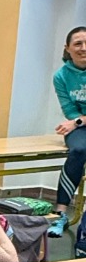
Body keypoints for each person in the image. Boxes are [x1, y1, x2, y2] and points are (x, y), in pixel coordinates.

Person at [49, 26, 86, 236]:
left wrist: (79, 121)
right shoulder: (61, 76)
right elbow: (69, 110)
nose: (83, 48)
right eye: (78, 44)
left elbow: (75, 119)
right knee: (78, 151)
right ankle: (61, 213)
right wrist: (78, 121)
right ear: (68, 48)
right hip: (79, 126)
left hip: (79, 123)